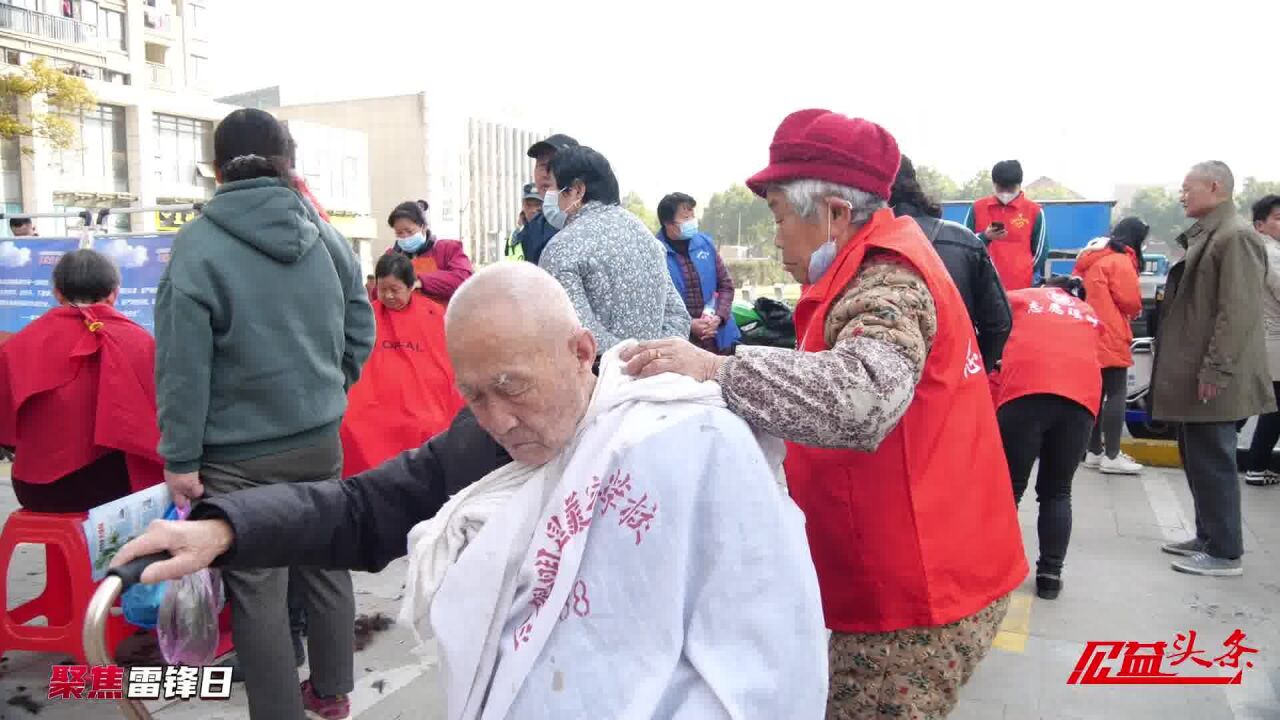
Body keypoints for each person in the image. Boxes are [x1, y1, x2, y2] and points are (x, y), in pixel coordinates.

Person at [114, 262, 829, 719]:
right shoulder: (486, 437)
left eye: (511, 387)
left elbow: (764, 660)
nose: (498, 420)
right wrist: (224, 530)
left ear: (582, 351)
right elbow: (367, 507)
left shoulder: (689, 443)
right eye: (474, 395)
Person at [619, 109, 1027, 719]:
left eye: (780, 215)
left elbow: (862, 398)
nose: (777, 236)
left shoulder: (886, 281)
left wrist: (716, 369)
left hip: (916, 590)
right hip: (922, 560)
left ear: (834, 213)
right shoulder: (873, 265)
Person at [154, 107, 375, 720]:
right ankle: (332, 695)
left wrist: (180, 458)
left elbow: (183, 367)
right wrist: (332, 385)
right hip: (317, 440)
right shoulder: (326, 235)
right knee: (326, 567)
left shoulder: (197, 247)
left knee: (257, 592)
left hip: (237, 457)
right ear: (287, 162)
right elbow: (362, 324)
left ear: (218, 169)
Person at [1152, 161, 1275, 577]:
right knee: (1197, 457)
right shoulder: (1214, 233)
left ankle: (1225, 552)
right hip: (1195, 370)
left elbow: (1236, 313)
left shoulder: (1236, 237)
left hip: (1213, 373)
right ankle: (1208, 535)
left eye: (1188, 188)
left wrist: (1216, 371)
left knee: (1214, 460)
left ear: (1215, 187)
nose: (1182, 196)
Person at [0, 249, 162, 512]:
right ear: (114, 293)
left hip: (36, 489)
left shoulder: (19, 344)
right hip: (116, 490)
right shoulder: (141, 342)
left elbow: (6, 431)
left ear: (57, 293)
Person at [991, 278, 1103, 600]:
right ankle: (1050, 574)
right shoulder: (1087, 312)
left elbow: (990, 311)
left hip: (1025, 396)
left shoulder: (1022, 297)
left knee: (1009, 488)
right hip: (1079, 403)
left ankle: (996, 571)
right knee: (1057, 491)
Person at [539, 146, 691, 353]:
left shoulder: (562, 248)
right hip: (656, 377)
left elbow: (576, 334)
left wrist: (631, 363)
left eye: (554, 188)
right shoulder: (647, 238)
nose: (550, 197)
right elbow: (678, 316)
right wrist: (653, 359)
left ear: (577, 190)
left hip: (600, 380)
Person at [339, 253, 464, 477]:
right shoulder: (365, 315)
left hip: (425, 402)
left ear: (411, 286)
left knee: (429, 424)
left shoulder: (435, 314)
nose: (387, 296)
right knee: (352, 425)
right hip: (373, 401)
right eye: (382, 289)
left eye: (394, 290)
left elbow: (448, 362)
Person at [891, 156, 1011, 371]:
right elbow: (999, 324)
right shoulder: (965, 238)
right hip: (954, 379)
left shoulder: (854, 244)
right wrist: (973, 368)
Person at [1075, 217, 1148, 475]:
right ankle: (1113, 455)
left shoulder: (1092, 258)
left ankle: (1094, 452)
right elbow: (1130, 301)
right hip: (1112, 332)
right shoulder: (1119, 261)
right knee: (1116, 393)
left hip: (1088, 330)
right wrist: (1136, 310)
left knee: (1096, 394)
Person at [655, 192, 741, 353]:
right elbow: (655, 304)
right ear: (668, 223)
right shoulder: (655, 253)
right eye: (686, 218)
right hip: (681, 343)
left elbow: (726, 285)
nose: (692, 222)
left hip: (719, 337)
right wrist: (688, 324)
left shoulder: (705, 244)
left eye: (692, 216)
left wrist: (719, 317)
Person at [964, 160, 1047, 290]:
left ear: (1019, 185)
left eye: (1010, 188)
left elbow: (1041, 251)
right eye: (1001, 188)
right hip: (983, 285)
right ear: (994, 184)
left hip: (1021, 286)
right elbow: (965, 245)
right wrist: (985, 236)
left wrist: (1023, 270)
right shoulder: (977, 208)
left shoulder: (1034, 211)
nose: (1005, 193)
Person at [1243, 194, 1280, 487]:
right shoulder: (1273, 253)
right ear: (1260, 225)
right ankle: (1256, 466)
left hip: (1261, 337)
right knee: (1273, 408)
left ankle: (1255, 464)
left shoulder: (1255, 252)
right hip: (1275, 339)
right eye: (1278, 219)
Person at [387, 200, 473, 304]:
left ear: (423, 227)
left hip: (443, 317)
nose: (405, 237)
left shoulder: (448, 249)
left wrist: (420, 281)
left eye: (409, 231)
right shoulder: (392, 256)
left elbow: (463, 279)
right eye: (399, 233)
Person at [513, 133, 579, 266]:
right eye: (541, 165)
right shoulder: (532, 229)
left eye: (554, 165)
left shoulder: (592, 221)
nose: (545, 173)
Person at [504, 183, 544, 261]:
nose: (533, 210)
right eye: (529, 205)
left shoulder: (550, 233)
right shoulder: (514, 235)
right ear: (523, 205)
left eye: (537, 205)